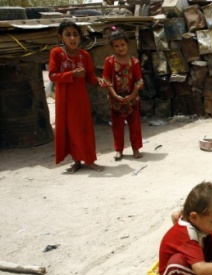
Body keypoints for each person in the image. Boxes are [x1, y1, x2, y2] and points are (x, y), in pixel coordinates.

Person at [48, 20, 105, 173]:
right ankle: (77, 161)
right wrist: (71, 74)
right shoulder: (56, 53)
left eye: (75, 35)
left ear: (80, 37)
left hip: (81, 99)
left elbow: (90, 76)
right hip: (64, 99)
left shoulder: (84, 55)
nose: (72, 38)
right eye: (68, 35)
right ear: (61, 37)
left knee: (85, 128)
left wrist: (98, 80)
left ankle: (90, 160)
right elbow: (53, 75)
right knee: (70, 129)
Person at [101, 27, 144, 161]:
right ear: (113, 47)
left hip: (132, 100)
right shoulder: (109, 61)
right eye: (117, 46)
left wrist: (132, 95)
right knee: (117, 126)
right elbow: (106, 79)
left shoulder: (134, 61)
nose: (120, 48)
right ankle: (118, 150)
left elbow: (139, 80)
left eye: (122, 45)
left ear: (127, 44)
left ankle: (135, 148)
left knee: (134, 125)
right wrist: (115, 95)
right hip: (116, 100)